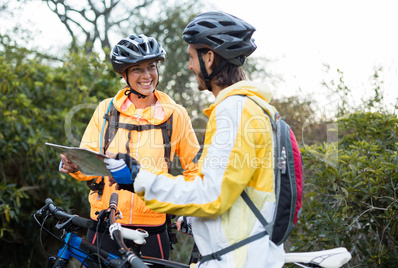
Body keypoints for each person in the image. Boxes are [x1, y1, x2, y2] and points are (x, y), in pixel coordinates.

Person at [109, 12, 286, 267]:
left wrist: (140, 178)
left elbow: (211, 196)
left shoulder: (234, 111)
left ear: (209, 57)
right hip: (245, 251)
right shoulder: (250, 108)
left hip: (238, 258)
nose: (190, 66)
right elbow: (228, 187)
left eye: (192, 57)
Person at [59, 34, 200, 264]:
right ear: (123, 74)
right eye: (137, 69)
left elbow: (195, 171)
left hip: (153, 229)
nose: (147, 76)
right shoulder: (106, 111)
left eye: (151, 67)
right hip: (105, 224)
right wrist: (76, 166)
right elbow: (90, 164)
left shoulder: (176, 115)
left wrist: (189, 211)